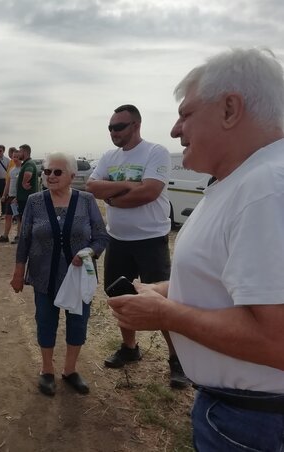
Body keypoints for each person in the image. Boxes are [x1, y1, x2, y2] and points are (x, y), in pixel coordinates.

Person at [107, 48, 284, 451]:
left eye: (186, 114)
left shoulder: (267, 188)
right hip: (243, 414)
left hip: (253, 422)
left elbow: (278, 340)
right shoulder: (244, 181)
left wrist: (166, 313)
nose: (174, 129)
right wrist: (165, 291)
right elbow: (235, 286)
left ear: (230, 109)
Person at [86, 104, 188, 388]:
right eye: (110, 127)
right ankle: (129, 348)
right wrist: (130, 185)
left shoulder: (155, 152)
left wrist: (115, 197)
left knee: (164, 301)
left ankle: (176, 359)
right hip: (118, 239)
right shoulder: (109, 155)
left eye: (119, 127)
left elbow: (150, 192)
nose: (113, 132)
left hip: (151, 239)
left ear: (136, 126)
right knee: (119, 295)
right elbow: (93, 187)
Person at [10, 152, 109, 396]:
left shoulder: (86, 200)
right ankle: (46, 370)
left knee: (78, 322)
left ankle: (70, 369)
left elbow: (101, 237)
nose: (50, 176)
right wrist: (19, 270)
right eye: (47, 172)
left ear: (72, 176)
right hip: (44, 275)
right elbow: (24, 238)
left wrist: (89, 252)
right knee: (45, 321)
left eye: (57, 172)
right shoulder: (34, 201)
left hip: (78, 278)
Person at [0, 147, 21, 242]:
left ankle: (18, 236)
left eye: (17, 157)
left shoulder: (22, 169)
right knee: (8, 216)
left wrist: (18, 197)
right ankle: (5, 236)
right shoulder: (12, 169)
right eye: (14, 157)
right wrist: (4, 195)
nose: (15, 158)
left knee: (18, 217)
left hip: (17, 197)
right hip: (10, 196)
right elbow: (8, 184)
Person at [14, 144, 38, 244]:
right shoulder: (27, 163)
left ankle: (27, 239)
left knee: (27, 219)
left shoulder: (29, 164)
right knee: (24, 218)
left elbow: (28, 173)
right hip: (23, 198)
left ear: (24, 152)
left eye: (20, 151)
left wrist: (24, 183)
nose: (18, 153)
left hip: (27, 199)